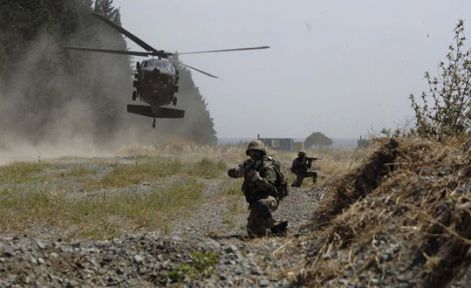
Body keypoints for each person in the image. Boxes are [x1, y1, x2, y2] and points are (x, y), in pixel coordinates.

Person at [227, 140, 288, 237]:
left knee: (261, 203)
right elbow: (236, 173)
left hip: (270, 199)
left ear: (261, 152)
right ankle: (275, 227)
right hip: (255, 202)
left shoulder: (268, 167)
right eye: (251, 152)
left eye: (255, 151)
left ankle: (273, 223)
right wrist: (235, 172)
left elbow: (270, 186)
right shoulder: (250, 164)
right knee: (253, 233)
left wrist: (257, 178)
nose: (253, 154)